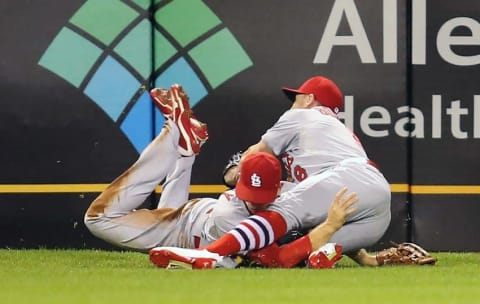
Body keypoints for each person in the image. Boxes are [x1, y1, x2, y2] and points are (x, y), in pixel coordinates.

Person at [84, 84, 356, 269]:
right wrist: (328, 232)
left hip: (194, 219)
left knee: (164, 210)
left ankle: (184, 148)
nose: (256, 203)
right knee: (97, 218)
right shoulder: (242, 214)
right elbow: (276, 258)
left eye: (261, 196)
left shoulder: (295, 186)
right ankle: (173, 136)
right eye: (251, 194)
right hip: (189, 227)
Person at [149, 76, 394, 268]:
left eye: (297, 98)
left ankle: (207, 254)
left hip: (349, 179)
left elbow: (255, 156)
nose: (293, 103)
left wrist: (235, 173)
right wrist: (368, 259)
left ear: (309, 99)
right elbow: (343, 193)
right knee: (300, 248)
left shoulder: (302, 115)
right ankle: (321, 257)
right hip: (377, 212)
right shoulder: (335, 130)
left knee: (281, 210)